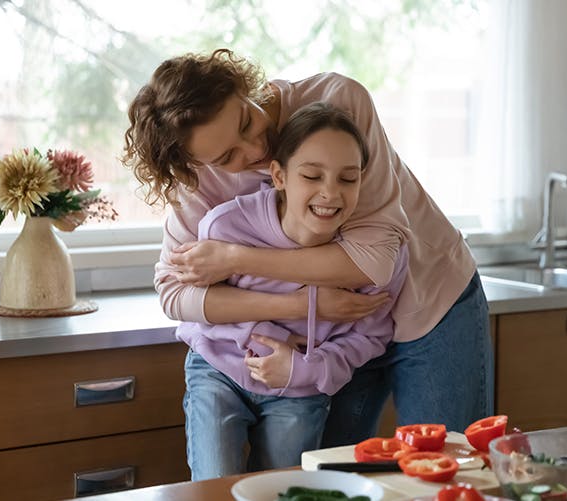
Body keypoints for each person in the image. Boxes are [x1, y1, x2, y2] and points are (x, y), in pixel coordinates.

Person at [123, 48, 493, 450]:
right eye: (226, 156)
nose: (254, 151)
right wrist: (304, 306)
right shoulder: (197, 178)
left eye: (247, 121)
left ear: (246, 88)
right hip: (336, 337)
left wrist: (234, 258)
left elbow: (374, 261)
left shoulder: (338, 100)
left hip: (431, 302)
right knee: (326, 479)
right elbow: (177, 294)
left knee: (443, 465)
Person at [172, 102, 408, 480]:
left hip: (300, 386)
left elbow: (370, 337)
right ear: (279, 176)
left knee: (280, 489)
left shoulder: (376, 256)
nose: (330, 193)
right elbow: (200, 315)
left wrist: (304, 367)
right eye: (312, 176)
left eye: (348, 179)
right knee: (214, 485)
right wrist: (268, 335)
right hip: (218, 370)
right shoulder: (225, 227)